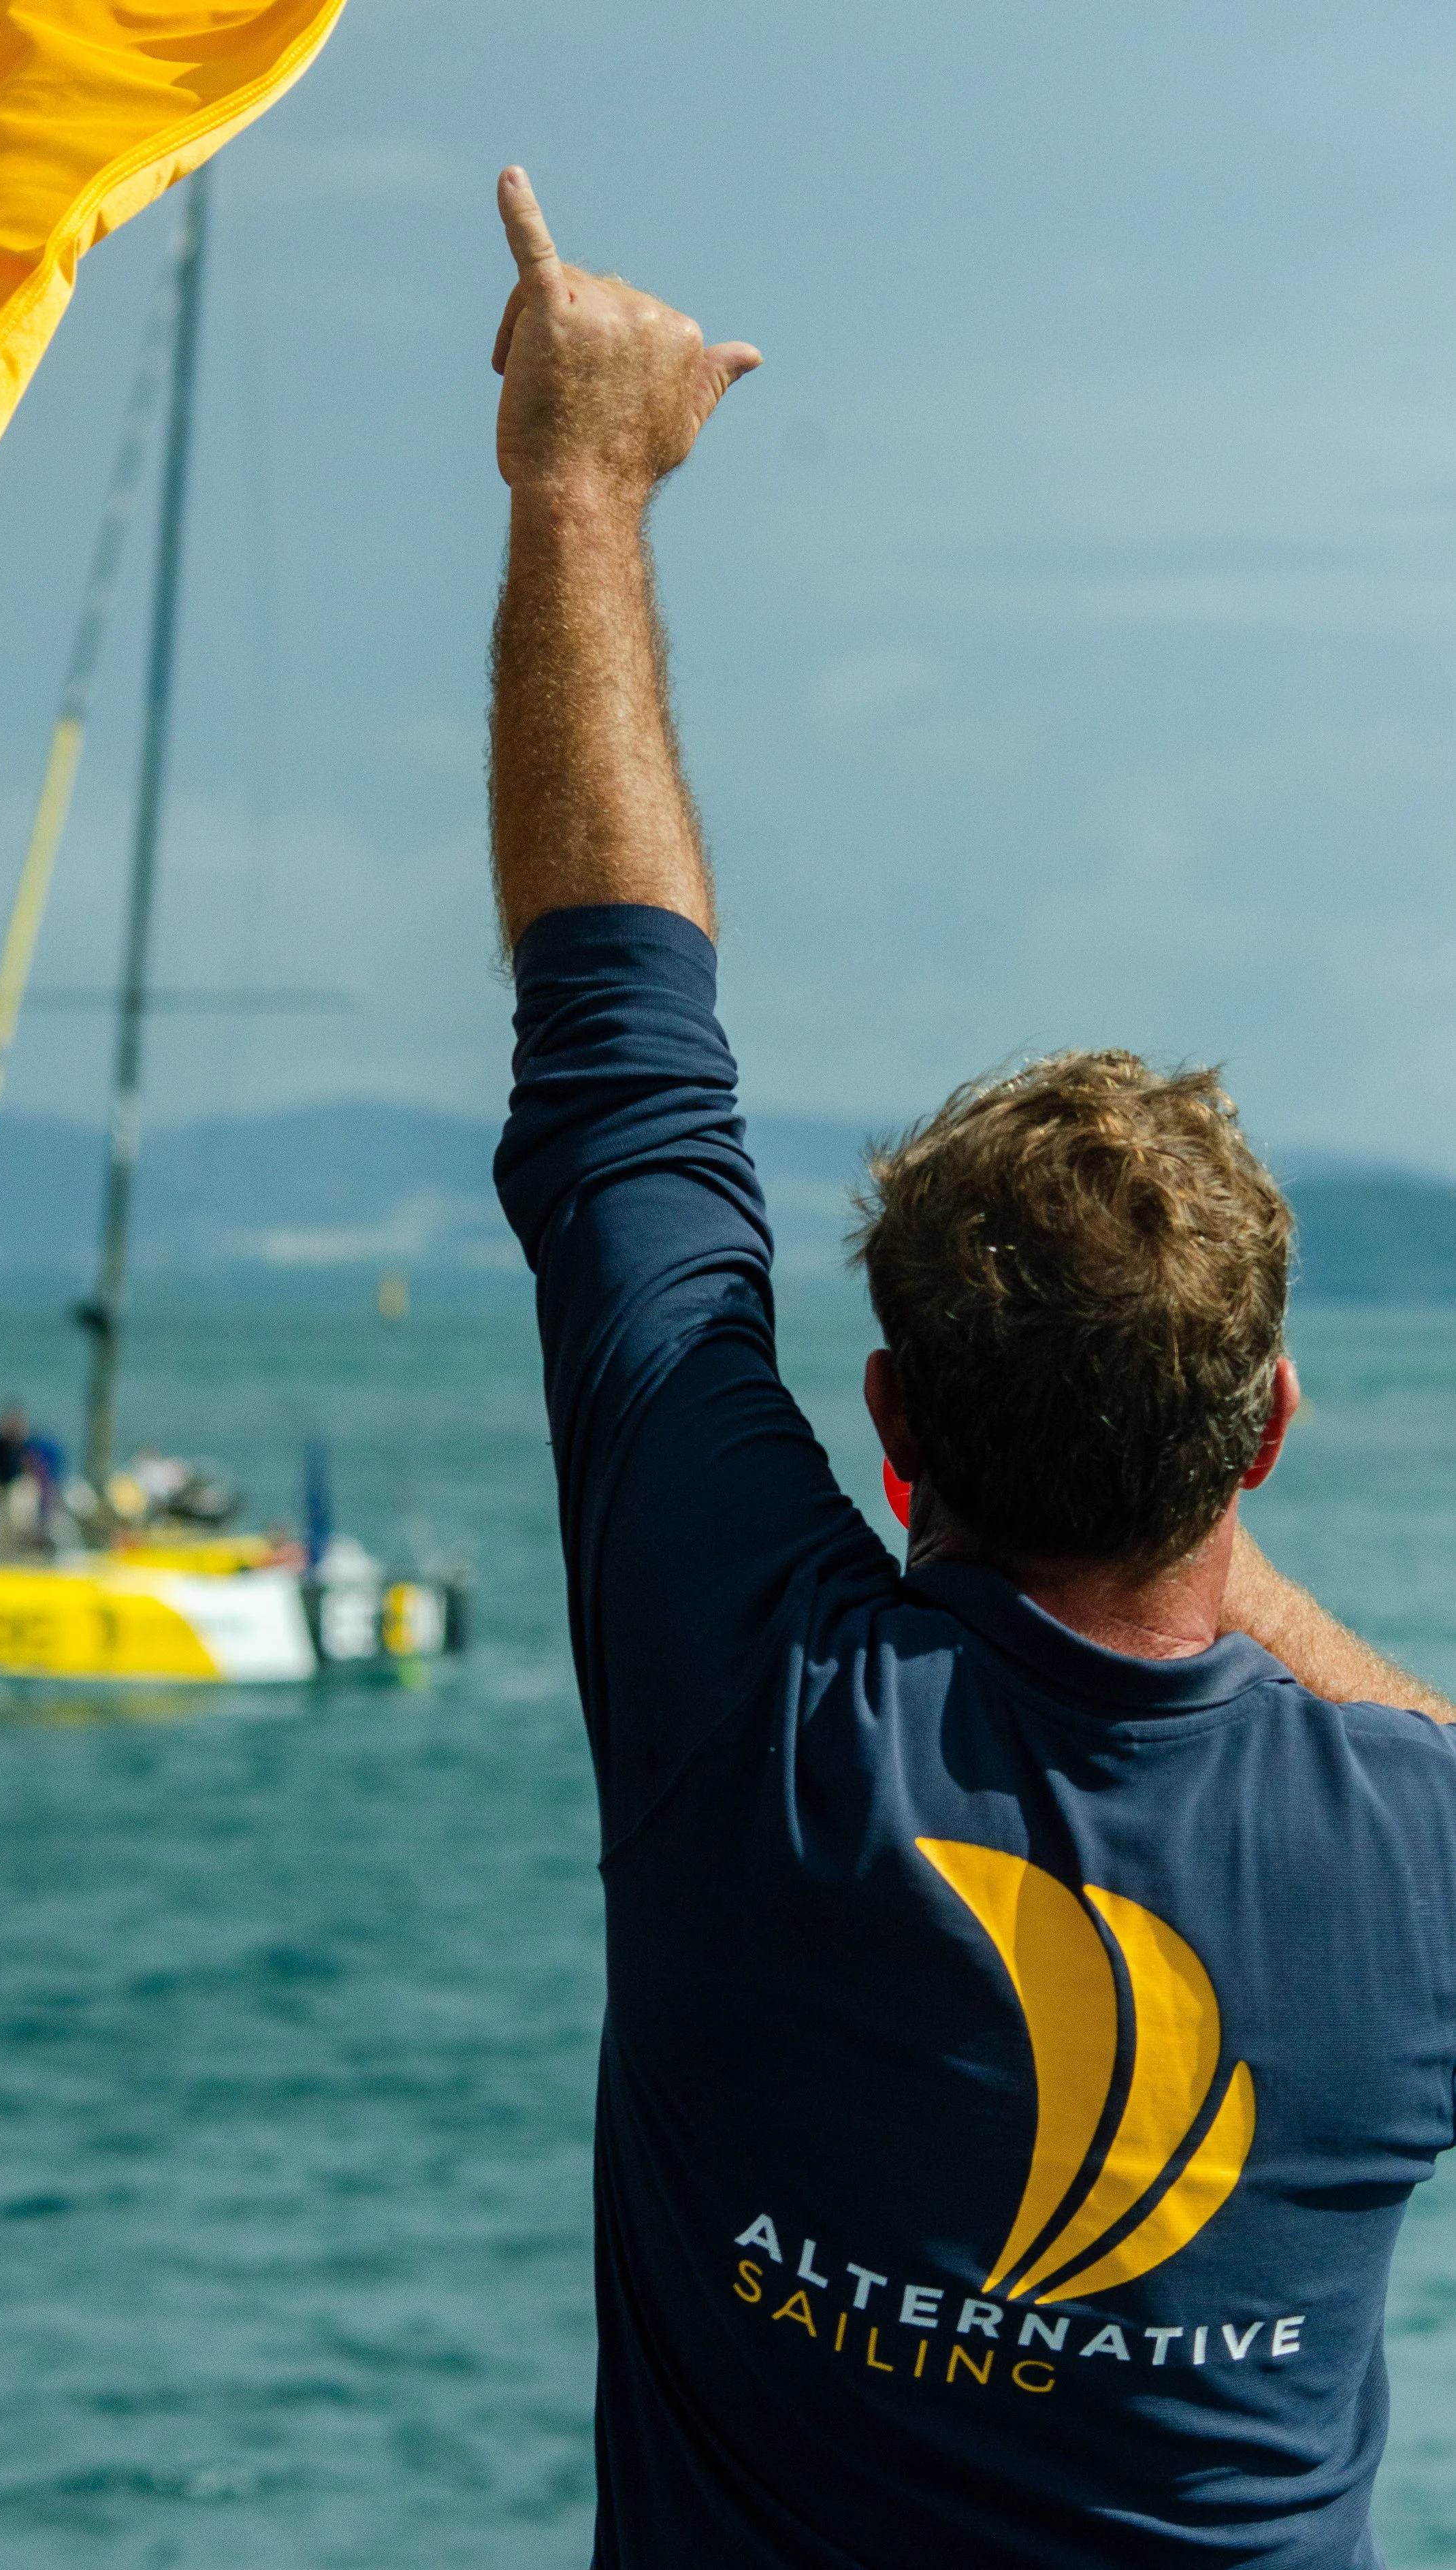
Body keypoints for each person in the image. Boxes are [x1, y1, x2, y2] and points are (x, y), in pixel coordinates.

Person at [486, 164, 1456, 2570]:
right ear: (1268, 1432)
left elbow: (626, 1072)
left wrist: (580, 481)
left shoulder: (749, 1707)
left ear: (892, 1431)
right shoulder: (1422, 1868)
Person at [0, 1401, 53, 1558]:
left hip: (20, 1492)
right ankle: (8, 1553)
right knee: (4, 1517)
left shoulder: (26, 1448)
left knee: (20, 1501)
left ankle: (26, 1548)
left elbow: (37, 1476)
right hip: (0, 1491)